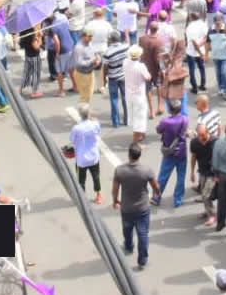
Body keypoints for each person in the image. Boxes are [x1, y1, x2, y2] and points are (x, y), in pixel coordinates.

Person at [113, 142, 159, 271]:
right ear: (139, 155)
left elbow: (115, 189)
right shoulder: (146, 170)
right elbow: (155, 187)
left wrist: (115, 200)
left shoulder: (120, 170)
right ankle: (142, 261)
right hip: (143, 208)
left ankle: (128, 246)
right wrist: (157, 193)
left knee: (127, 230)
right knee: (143, 234)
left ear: (129, 155)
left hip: (126, 208)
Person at [155, 101, 190, 208]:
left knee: (163, 176)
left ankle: (157, 197)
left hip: (169, 152)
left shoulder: (166, 121)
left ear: (170, 110)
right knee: (181, 177)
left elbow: (158, 130)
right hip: (182, 151)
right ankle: (178, 200)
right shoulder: (185, 119)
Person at [69, 104, 104, 204]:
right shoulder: (95, 124)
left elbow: (72, 139)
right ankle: (98, 195)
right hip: (94, 156)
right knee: (96, 176)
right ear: (89, 113)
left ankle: (83, 198)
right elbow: (98, 132)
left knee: (81, 180)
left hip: (81, 159)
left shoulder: (76, 128)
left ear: (79, 115)